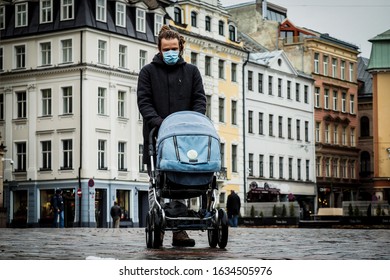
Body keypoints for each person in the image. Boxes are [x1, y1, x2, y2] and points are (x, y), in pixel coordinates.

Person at [137, 25, 206, 247]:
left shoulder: (191, 72)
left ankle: (179, 232)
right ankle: (156, 227)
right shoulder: (148, 72)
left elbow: (200, 100)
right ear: (159, 48)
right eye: (166, 48)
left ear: (180, 48)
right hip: (156, 136)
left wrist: (191, 123)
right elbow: (144, 101)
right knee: (156, 183)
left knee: (180, 182)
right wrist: (161, 123)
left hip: (186, 138)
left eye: (174, 48)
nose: (170, 52)